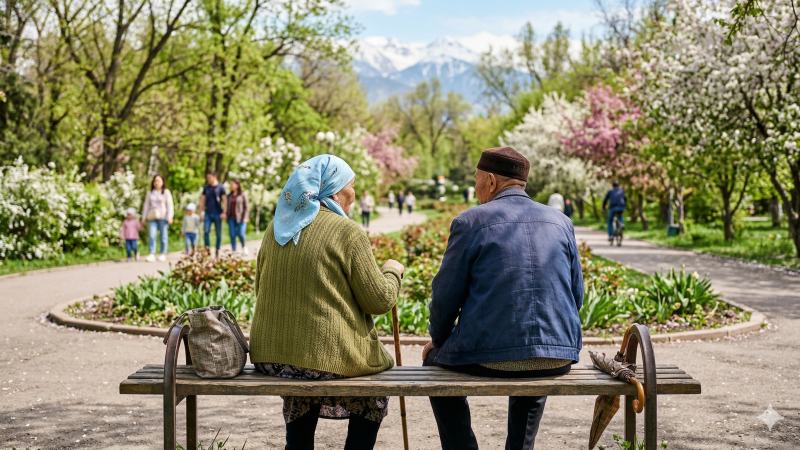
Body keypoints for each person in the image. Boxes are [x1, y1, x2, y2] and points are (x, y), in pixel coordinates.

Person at [422, 146, 584, 450]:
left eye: (476, 180)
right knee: (534, 355)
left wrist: (438, 339)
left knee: (432, 363)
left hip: (490, 357)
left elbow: (445, 298)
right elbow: (576, 296)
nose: (475, 188)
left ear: (491, 181)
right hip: (558, 356)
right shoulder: (562, 221)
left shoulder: (470, 222)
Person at [250, 155, 404, 450]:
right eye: (352, 186)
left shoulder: (276, 229)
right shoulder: (348, 232)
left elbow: (261, 288)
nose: (354, 194)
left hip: (272, 360)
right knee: (373, 392)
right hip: (323, 362)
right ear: (334, 191)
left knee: (302, 380)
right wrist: (392, 272)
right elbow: (379, 300)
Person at [141, 174, 174, 262]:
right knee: (152, 235)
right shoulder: (150, 193)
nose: (156, 183)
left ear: (162, 182)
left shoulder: (166, 192)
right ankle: (152, 253)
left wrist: (170, 216)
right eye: (155, 181)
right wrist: (143, 218)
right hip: (152, 216)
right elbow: (146, 206)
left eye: (158, 181)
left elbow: (170, 205)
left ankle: (162, 253)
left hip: (163, 216)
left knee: (163, 236)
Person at [198, 171, 227, 256]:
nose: (208, 179)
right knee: (206, 231)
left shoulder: (221, 188)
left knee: (218, 233)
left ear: (215, 177)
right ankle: (207, 249)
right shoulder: (206, 188)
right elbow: (202, 200)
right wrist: (200, 213)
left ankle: (217, 249)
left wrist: (224, 212)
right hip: (208, 213)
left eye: (209, 177)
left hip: (218, 213)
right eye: (207, 177)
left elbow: (225, 200)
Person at [227, 178, 250, 254]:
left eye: (232, 184)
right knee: (232, 235)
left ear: (237, 185)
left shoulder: (243, 194)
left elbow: (246, 207)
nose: (231, 186)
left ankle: (244, 246)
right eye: (230, 184)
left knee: (241, 234)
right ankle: (234, 250)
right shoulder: (229, 195)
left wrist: (245, 217)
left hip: (241, 218)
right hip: (231, 218)